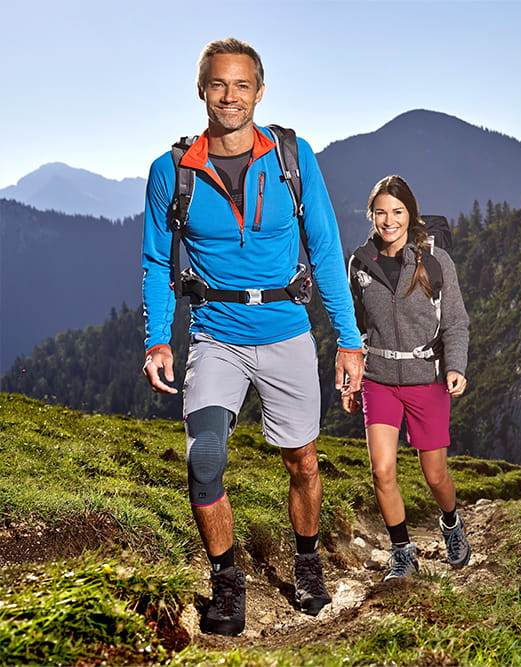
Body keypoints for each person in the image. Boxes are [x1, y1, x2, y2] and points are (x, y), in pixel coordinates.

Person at [140, 38, 363, 636]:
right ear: (201, 90)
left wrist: (349, 340)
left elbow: (324, 245)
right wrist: (158, 338)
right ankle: (227, 582)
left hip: (288, 331)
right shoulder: (171, 173)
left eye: (242, 85)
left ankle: (308, 561)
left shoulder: (293, 158)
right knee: (205, 458)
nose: (229, 96)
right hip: (215, 335)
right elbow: (158, 261)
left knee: (303, 461)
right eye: (219, 84)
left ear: (259, 92)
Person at [344, 175, 471, 580]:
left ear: (410, 214)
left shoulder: (435, 262)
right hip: (379, 379)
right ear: (371, 215)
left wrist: (456, 366)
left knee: (435, 476)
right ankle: (402, 551)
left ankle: (450, 521)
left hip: (426, 379)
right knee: (382, 470)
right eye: (380, 212)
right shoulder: (361, 264)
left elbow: (456, 322)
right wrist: (351, 373)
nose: (388, 220)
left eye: (397, 212)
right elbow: (353, 328)